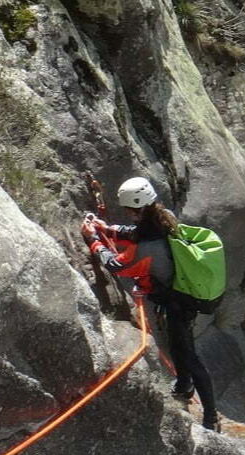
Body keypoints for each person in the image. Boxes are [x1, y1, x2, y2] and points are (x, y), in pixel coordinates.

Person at [81, 176, 220, 431]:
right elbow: (135, 234)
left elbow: (116, 265)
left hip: (177, 302)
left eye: (127, 210)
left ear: (134, 209)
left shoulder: (146, 246)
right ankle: (184, 385)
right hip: (181, 296)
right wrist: (107, 228)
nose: (125, 213)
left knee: (188, 355)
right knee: (179, 346)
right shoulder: (163, 217)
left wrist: (94, 240)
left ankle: (211, 415)